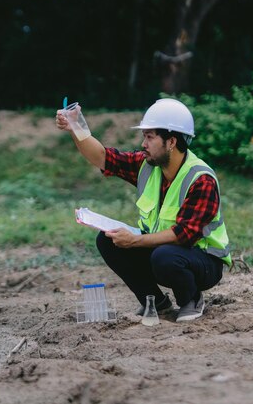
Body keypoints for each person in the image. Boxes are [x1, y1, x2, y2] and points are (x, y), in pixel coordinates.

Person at [55, 98, 231, 322]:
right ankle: (156, 302)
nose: (143, 144)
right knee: (107, 240)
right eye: (144, 137)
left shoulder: (200, 178)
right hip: (165, 250)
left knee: (164, 256)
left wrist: (134, 241)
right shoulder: (148, 166)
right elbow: (103, 158)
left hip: (203, 261)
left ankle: (191, 299)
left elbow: (183, 235)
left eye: (150, 137)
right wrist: (75, 127)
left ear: (171, 142)